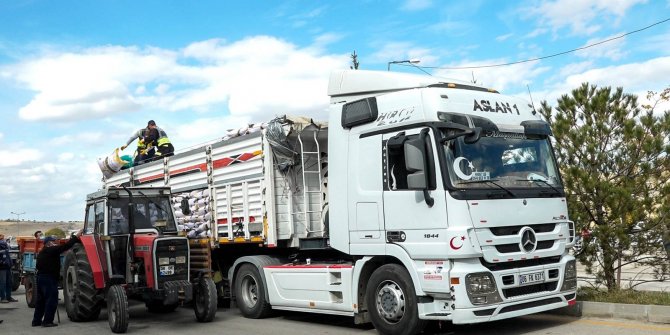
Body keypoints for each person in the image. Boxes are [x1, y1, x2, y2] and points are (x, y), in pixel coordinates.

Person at [32, 232, 82, 327]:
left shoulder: (42, 252)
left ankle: (36, 321)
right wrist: (76, 237)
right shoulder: (51, 250)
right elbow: (66, 246)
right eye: (53, 242)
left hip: (40, 277)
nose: (55, 243)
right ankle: (47, 321)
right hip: (49, 278)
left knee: (41, 301)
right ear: (49, 243)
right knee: (51, 300)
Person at [0, 234, 17, 303]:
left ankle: (8, 297)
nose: (3, 239)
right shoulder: (3, 246)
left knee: (9, 282)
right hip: (1, 267)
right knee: (2, 283)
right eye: (1, 238)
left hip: (7, 267)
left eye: (3, 238)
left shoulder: (6, 247)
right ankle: (3, 298)